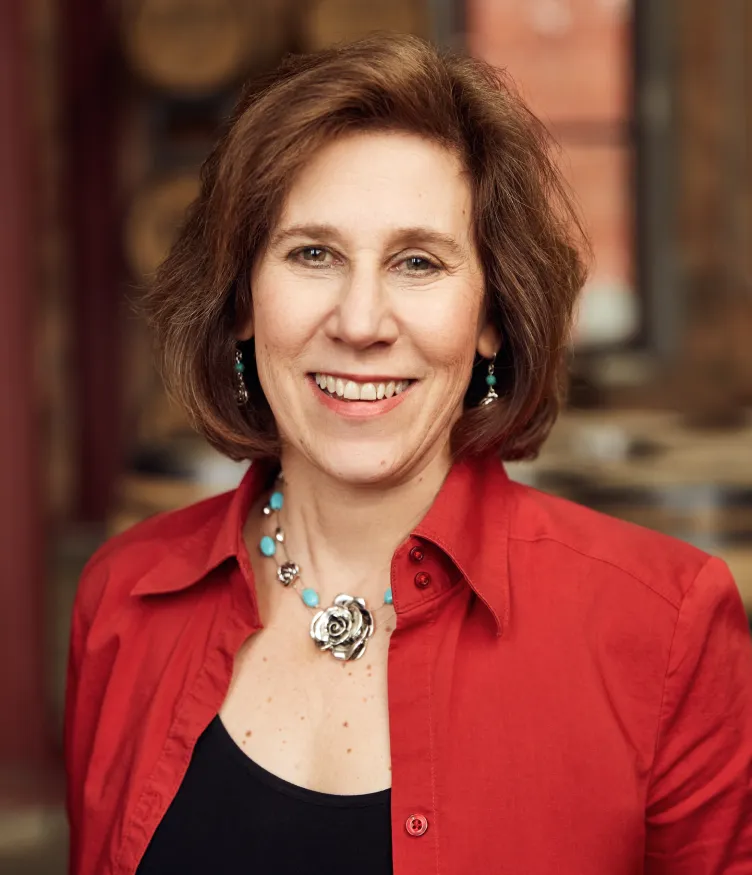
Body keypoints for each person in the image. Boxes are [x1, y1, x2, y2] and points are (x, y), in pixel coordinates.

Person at [64, 34, 752, 875]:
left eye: (417, 261)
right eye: (312, 253)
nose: (360, 322)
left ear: (492, 315)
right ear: (242, 299)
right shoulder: (123, 598)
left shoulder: (664, 626)